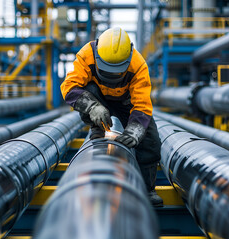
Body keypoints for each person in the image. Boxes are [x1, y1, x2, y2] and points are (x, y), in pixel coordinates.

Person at [60, 27, 163, 207]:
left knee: (151, 141)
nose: (111, 77)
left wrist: (135, 132)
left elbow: (142, 106)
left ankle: (148, 189)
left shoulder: (138, 65)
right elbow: (69, 88)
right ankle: (97, 128)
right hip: (98, 100)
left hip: (126, 102)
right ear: (98, 55)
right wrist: (92, 107)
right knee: (89, 90)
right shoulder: (86, 55)